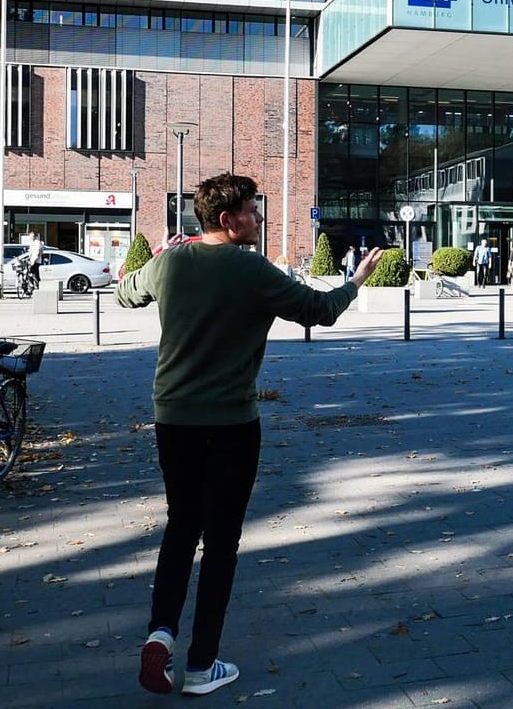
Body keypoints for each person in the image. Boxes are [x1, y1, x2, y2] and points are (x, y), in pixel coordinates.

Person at [117, 173, 383, 698]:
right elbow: (318, 312)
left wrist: (161, 255)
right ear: (227, 220)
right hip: (232, 424)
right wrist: (356, 281)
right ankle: (201, 665)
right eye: (252, 211)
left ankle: (160, 634)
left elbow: (127, 295)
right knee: (221, 541)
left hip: (173, 418)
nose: (260, 219)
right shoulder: (251, 269)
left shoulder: (170, 261)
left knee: (180, 526)